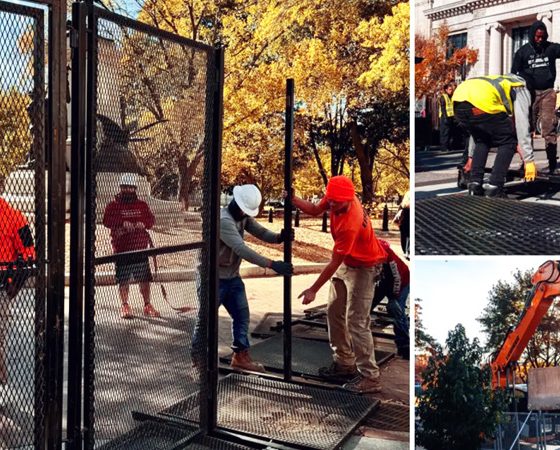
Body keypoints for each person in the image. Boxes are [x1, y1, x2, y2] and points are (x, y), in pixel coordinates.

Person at [290, 176, 387, 394]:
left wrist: (313, 289)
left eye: (335, 202)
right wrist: (293, 198)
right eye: (330, 200)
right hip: (348, 261)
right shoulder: (337, 193)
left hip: (365, 266)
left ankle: (371, 377)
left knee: (356, 321)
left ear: (348, 199)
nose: (331, 205)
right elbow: (315, 209)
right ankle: (344, 362)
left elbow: (333, 262)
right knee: (334, 312)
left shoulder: (350, 224)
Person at [193, 184, 293, 373]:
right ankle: (199, 359)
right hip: (212, 278)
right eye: (244, 210)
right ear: (238, 205)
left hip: (231, 277)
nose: (245, 214)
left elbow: (261, 232)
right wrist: (272, 264)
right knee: (205, 320)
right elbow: (241, 249)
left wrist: (279, 237)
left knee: (242, 316)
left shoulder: (242, 217)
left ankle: (240, 356)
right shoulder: (224, 220)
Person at [452, 74, 536, 197]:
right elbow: (522, 122)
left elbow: (475, 135)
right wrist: (529, 160)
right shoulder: (521, 87)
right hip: (481, 102)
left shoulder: (499, 81)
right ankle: (495, 186)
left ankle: (474, 184)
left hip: (458, 100)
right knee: (508, 141)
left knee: (482, 140)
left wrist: (471, 156)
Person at [102, 173, 160, 319]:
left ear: (135, 188)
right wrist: (122, 223)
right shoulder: (113, 206)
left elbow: (151, 220)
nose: (128, 190)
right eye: (125, 187)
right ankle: (125, 305)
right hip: (122, 249)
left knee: (144, 279)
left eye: (130, 187)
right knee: (123, 280)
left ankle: (147, 304)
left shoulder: (142, 205)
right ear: (120, 188)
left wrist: (143, 223)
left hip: (140, 248)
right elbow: (106, 221)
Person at [512, 20, 560, 174]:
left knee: (548, 127)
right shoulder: (522, 52)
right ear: (532, 36)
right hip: (529, 93)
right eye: (537, 37)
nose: (540, 39)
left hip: (547, 92)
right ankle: (527, 162)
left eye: (542, 36)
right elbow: (513, 74)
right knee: (527, 127)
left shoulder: (551, 48)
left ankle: (552, 165)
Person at [0, 197, 36, 385]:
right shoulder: (15, 217)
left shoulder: (15, 217)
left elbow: (29, 254)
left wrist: (16, 284)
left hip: (2, 284)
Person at [372, 240, 410, 360]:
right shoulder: (373, 254)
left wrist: (393, 297)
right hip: (384, 282)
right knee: (367, 305)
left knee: (396, 310)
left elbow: (397, 279)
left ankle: (404, 345)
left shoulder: (392, 262)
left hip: (402, 283)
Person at [438, 82, 457, 151]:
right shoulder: (443, 97)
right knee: (444, 133)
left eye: (452, 90)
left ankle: (448, 146)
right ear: (446, 90)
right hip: (444, 117)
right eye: (449, 89)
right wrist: (445, 118)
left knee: (449, 132)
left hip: (450, 117)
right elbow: (443, 108)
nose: (451, 91)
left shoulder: (451, 97)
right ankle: (444, 147)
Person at [393, 191, 410, 257]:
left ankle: (405, 251)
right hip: (407, 221)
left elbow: (399, 212)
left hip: (403, 222)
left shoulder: (403, 204)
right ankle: (408, 251)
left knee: (404, 237)